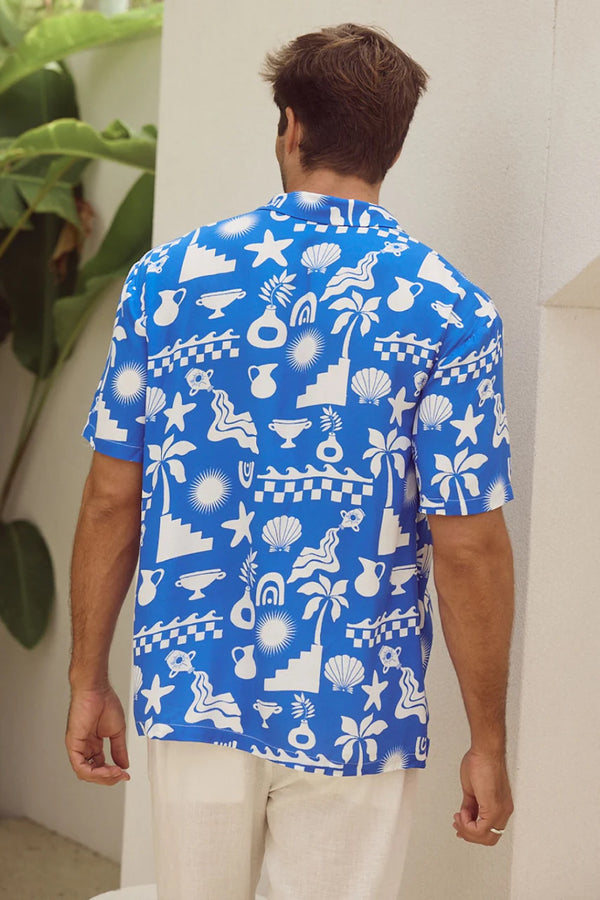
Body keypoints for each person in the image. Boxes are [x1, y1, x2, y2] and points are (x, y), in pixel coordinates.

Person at [66, 22, 515, 900]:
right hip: (358, 707)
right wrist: (488, 740)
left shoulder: (167, 282)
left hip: (194, 685)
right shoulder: (450, 309)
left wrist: (88, 679)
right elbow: (468, 544)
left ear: (290, 125)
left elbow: (111, 497)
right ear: (392, 146)